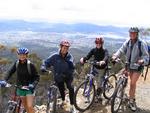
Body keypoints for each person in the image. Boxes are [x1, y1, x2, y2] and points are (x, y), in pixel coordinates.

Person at [112, 27, 149, 111]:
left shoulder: (141, 43)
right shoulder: (127, 42)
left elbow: (146, 56)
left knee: (132, 83)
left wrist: (142, 60)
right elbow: (121, 50)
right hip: (128, 65)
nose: (132, 34)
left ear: (137, 34)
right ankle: (120, 92)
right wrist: (115, 55)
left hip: (137, 67)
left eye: (134, 33)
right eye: (130, 33)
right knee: (121, 78)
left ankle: (131, 100)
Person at [41, 40, 76, 113]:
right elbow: (46, 62)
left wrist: (70, 68)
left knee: (71, 88)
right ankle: (63, 101)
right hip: (59, 76)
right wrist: (43, 67)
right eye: (64, 47)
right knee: (61, 89)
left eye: (67, 48)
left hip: (68, 76)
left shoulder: (70, 57)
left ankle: (72, 106)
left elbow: (73, 67)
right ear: (60, 47)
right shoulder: (55, 56)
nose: (65, 49)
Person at [4, 47, 40, 113]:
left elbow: (37, 77)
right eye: (20, 54)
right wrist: (5, 80)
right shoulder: (17, 63)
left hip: (29, 88)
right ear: (18, 55)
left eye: (24, 54)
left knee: (29, 106)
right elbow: (10, 72)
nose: (22, 56)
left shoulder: (30, 65)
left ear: (26, 55)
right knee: (25, 106)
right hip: (20, 88)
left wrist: (33, 85)